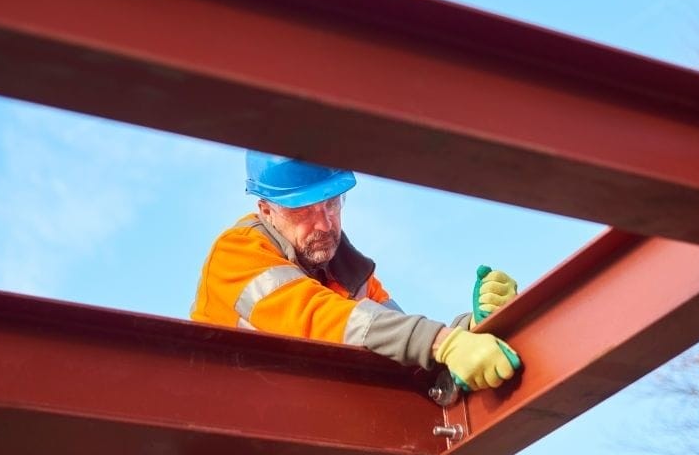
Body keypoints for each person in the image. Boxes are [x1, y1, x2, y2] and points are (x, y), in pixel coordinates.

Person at [191, 151, 522, 392]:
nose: (324, 223)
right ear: (266, 210)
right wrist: (445, 343)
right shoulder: (236, 254)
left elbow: (405, 345)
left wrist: (474, 327)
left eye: (331, 203)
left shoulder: (348, 272)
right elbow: (320, 318)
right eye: (303, 211)